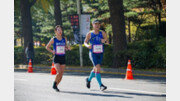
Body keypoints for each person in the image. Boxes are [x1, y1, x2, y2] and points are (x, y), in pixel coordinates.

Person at [84, 19, 108, 91]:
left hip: (100, 53)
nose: (97, 25)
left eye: (98, 24)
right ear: (93, 25)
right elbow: (85, 42)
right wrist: (87, 46)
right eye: (95, 24)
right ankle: (101, 85)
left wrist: (104, 41)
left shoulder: (102, 33)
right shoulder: (90, 34)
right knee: (97, 67)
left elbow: (107, 42)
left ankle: (88, 79)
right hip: (93, 53)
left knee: (95, 68)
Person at [46, 25, 71, 92]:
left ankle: (56, 86)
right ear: (55, 31)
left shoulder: (64, 38)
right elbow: (47, 47)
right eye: (58, 30)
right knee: (59, 72)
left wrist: (68, 48)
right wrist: (52, 51)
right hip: (56, 57)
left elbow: (66, 47)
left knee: (61, 74)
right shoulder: (53, 39)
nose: (60, 31)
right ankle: (54, 84)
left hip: (63, 57)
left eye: (61, 30)